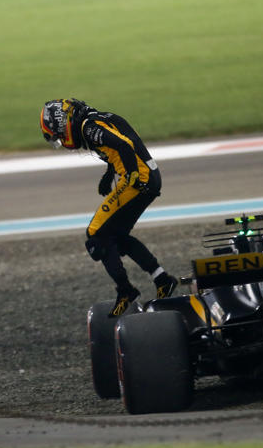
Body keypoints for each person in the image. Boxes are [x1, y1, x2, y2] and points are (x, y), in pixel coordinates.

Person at [40, 98, 178, 316]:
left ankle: (126, 291)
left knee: (96, 234)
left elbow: (124, 145)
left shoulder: (89, 127)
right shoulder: (98, 119)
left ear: (63, 122)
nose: (63, 142)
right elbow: (119, 145)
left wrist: (131, 174)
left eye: (59, 135)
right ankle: (162, 279)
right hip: (148, 177)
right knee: (116, 235)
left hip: (137, 180)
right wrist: (110, 173)